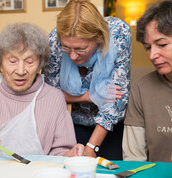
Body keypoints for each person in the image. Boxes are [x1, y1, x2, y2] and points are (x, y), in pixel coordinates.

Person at [0, 23, 84, 157]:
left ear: (40, 64)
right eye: (12, 61)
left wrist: (71, 154)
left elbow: (60, 152)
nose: (21, 71)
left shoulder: (54, 98)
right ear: (0, 64)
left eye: (30, 62)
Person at [42, 0, 131, 160]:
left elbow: (117, 99)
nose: (73, 56)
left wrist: (91, 146)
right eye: (67, 48)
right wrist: (87, 96)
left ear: (98, 38)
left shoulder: (118, 33)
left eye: (81, 49)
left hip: (111, 126)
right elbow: (50, 96)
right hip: (76, 123)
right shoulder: (54, 42)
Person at [122, 0, 172, 163]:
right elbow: (133, 159)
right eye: (148, 47)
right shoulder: (141, 89)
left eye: (162, 44)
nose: (152, 56)